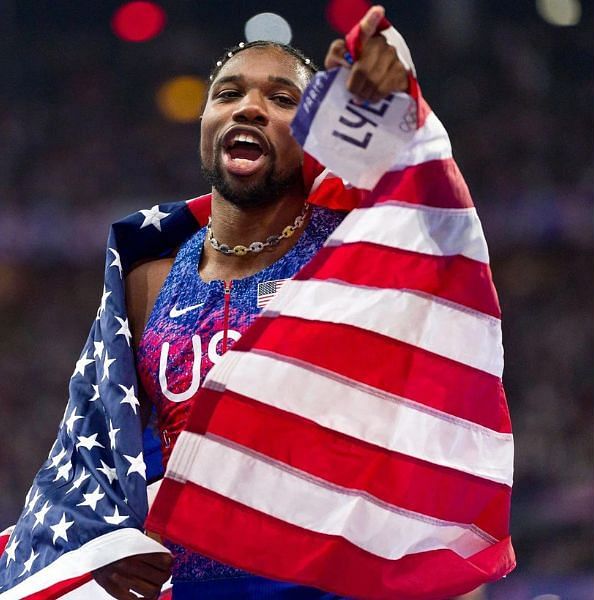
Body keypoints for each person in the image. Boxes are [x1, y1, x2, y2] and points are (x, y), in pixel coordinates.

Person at [81, 8, 486, 600]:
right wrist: (106, 544)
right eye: (228, 93)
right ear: (204, 122)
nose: (249, 107)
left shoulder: (354, 249)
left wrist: (399, 98)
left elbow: (444, 229)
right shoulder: (146, 278)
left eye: (282, 98)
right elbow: (108, 459)